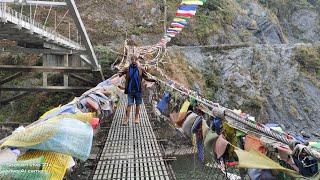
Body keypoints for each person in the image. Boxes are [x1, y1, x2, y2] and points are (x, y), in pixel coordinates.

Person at [118, 55, 157, 124]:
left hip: (138, 90)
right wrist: (119, 75)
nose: (133, 61)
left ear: (137, 60)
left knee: (138, 104)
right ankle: (126, 118)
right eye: (132, 60)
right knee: (129, 104)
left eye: (134, 60)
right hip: (130, 90)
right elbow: (120, 73)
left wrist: (153, 80)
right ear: (130, 61)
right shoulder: (127, 68)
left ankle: (136, 117)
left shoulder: (141, 69)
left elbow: (146, 78)